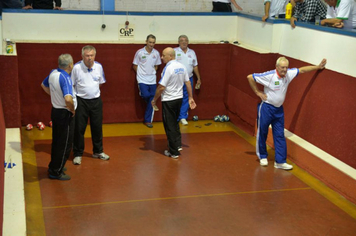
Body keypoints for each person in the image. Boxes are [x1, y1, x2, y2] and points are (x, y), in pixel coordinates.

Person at [247, 57, 327, 170]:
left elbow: (302, 70)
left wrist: (318, 67)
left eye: (286, 67)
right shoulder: (269, 75)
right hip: (266, 108)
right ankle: (262, 156)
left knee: (279, 135)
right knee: (262, 132)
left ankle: (280, 161)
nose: (284, 70)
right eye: (282, 67)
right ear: (277, 67)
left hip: (279, 110)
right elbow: (250, 77)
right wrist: (257, 92)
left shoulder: (289, 74)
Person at [151, 47, 197, 159]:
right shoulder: (182, 67)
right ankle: (178, 144)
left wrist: (154, 99)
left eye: (163, 55)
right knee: (175, 122)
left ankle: (173, 152)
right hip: (179, 99)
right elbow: (188, 83)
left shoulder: (169, 68)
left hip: (169, 100)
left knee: (169, 125)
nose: (161, 57)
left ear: (170, 56)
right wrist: (190, 97)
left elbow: (161, 87)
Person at [71, 45, 109, 165]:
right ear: (82, 56)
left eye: (91, 55)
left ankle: (98, 151)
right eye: (87, 56)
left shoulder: (99, 66)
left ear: (95, 56)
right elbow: (71, 84)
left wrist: (92, 92)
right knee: (79, 129)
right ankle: (77, 154)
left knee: (97, 127)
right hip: (81, 101)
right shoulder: (76, 68)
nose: (89, 58)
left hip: (96, 101)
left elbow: (100, 83)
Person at [41, 54, 76, 180]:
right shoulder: (65, 77)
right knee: (65, 143)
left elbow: (43, 85)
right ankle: (56, 171)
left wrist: (54, 96)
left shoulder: (53, 72)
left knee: (57, 140)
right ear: (70, 65)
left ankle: (54, 165)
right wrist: (72, 109)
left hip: (55, 111)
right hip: (64, 113)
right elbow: (68, 98)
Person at [133, 34, 162, 128]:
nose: (151, 44)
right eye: (150, 42)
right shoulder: (139, 52)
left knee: (152, 99)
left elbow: (157, 65)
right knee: (146, 95)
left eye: (153, 42)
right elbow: (135, 65)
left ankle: (148, 120)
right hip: (142, 79)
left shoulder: (156, 53)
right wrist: (141, 74)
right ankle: (149, 104)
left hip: (152, 79)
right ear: (146, 42)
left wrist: (152, 72)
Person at [174, 35, 201, 126]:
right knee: (177, 97)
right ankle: (175, 117)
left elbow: (195, 66)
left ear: (188, 42)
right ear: (178, 42)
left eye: (185, 40)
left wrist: (198, 78)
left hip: (188, 78)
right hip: (177, 78)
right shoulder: (174, 51)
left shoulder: (192, 52)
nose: (184, 42)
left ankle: (182, 117)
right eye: (182, 40)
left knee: (188, 96)